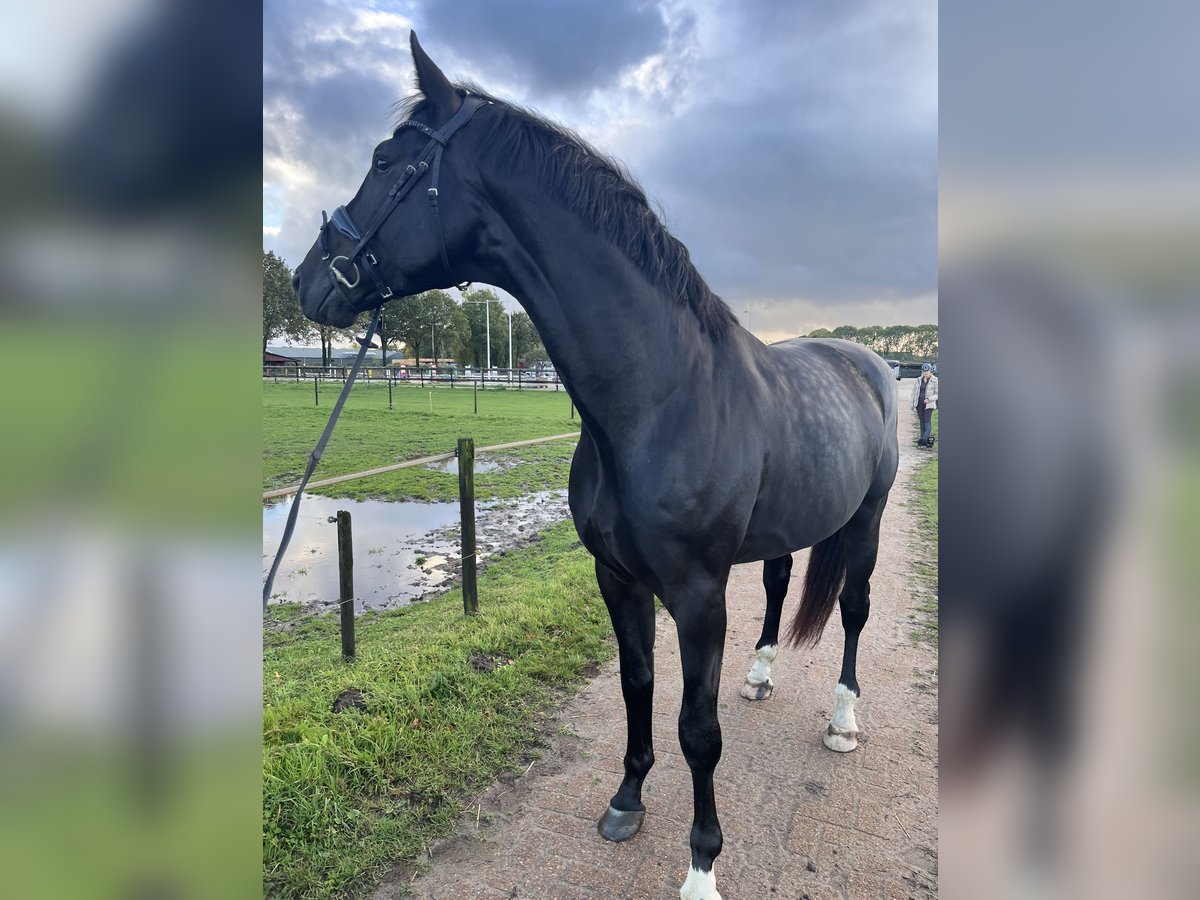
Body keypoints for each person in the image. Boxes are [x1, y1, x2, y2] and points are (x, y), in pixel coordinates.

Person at [911, 362, 939, 448]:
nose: (925, 373)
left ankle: (925, 440)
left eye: (927, 372)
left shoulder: (935, 381)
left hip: (928, 404)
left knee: (927, 422)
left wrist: (929, 399)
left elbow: (937, 394)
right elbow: (914, 393)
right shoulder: (918, 380)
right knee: (921, 422)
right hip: (919, 403)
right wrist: (912, 403)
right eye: (924, 372)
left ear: (931, 371)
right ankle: (922, 438)